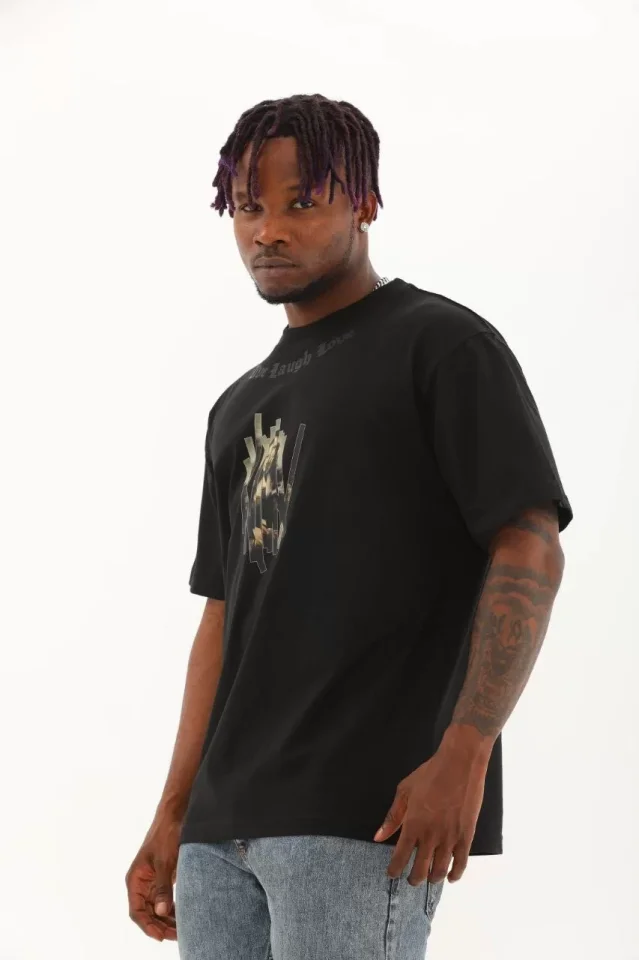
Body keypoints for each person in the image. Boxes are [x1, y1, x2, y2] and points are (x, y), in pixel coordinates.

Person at [125, 93, 573, 959]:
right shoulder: (237, 406)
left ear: (363, 203)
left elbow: (528, 545)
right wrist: (174, 811)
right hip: (221, 831)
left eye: (301, 202)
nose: (268, 231)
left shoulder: (438, 346)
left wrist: (466, 753)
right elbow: (223, 614)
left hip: (361, 814)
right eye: (247, 207)